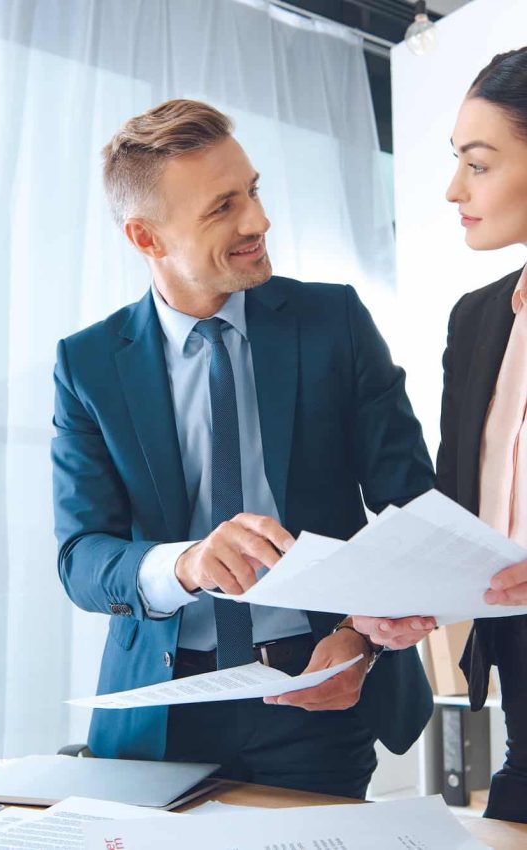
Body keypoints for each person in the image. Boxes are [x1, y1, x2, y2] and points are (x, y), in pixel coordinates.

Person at [52, 98, 434, 800]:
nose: (257, 222)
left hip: (316, 688)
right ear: (146, 237)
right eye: (222, 207)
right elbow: (82, 559)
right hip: (161, 712)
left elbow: (415, 509)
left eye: (253, 191)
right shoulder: (89, 365)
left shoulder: (334, 322)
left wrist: (361, 635)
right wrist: (187, 563)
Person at [353, 48, 527, 823]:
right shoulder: (479, 319)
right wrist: (403, 592)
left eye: (478, 164)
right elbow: (466, 514)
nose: (455, 190)